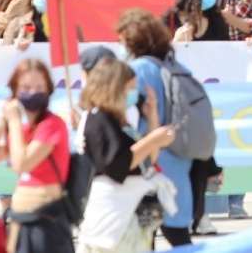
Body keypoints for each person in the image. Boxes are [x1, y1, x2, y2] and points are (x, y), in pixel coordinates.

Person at [76, 57, 177, 253]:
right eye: (129, 87)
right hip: (112, 218)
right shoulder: (98, 120)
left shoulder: (117, 122)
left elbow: (148, 160)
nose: (133, 93)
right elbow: (118, 164)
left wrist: (152, 116)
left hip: (127, 216)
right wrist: (153, 139)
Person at [114, 11, 194, 246]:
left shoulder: (137, 69)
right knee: (175, 232)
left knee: (145, 233)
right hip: (176, 157)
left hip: (149, 159)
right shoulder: (172, 65)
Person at [0, 59, 70, 252]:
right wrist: (2, 121)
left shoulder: (52, 125)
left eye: (39, 87)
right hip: (21, 219)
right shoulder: (24, 131)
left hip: (45, 221)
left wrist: (14, 121)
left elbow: (21, 163)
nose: (33, 93)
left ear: (49, 90)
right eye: (26, 87)